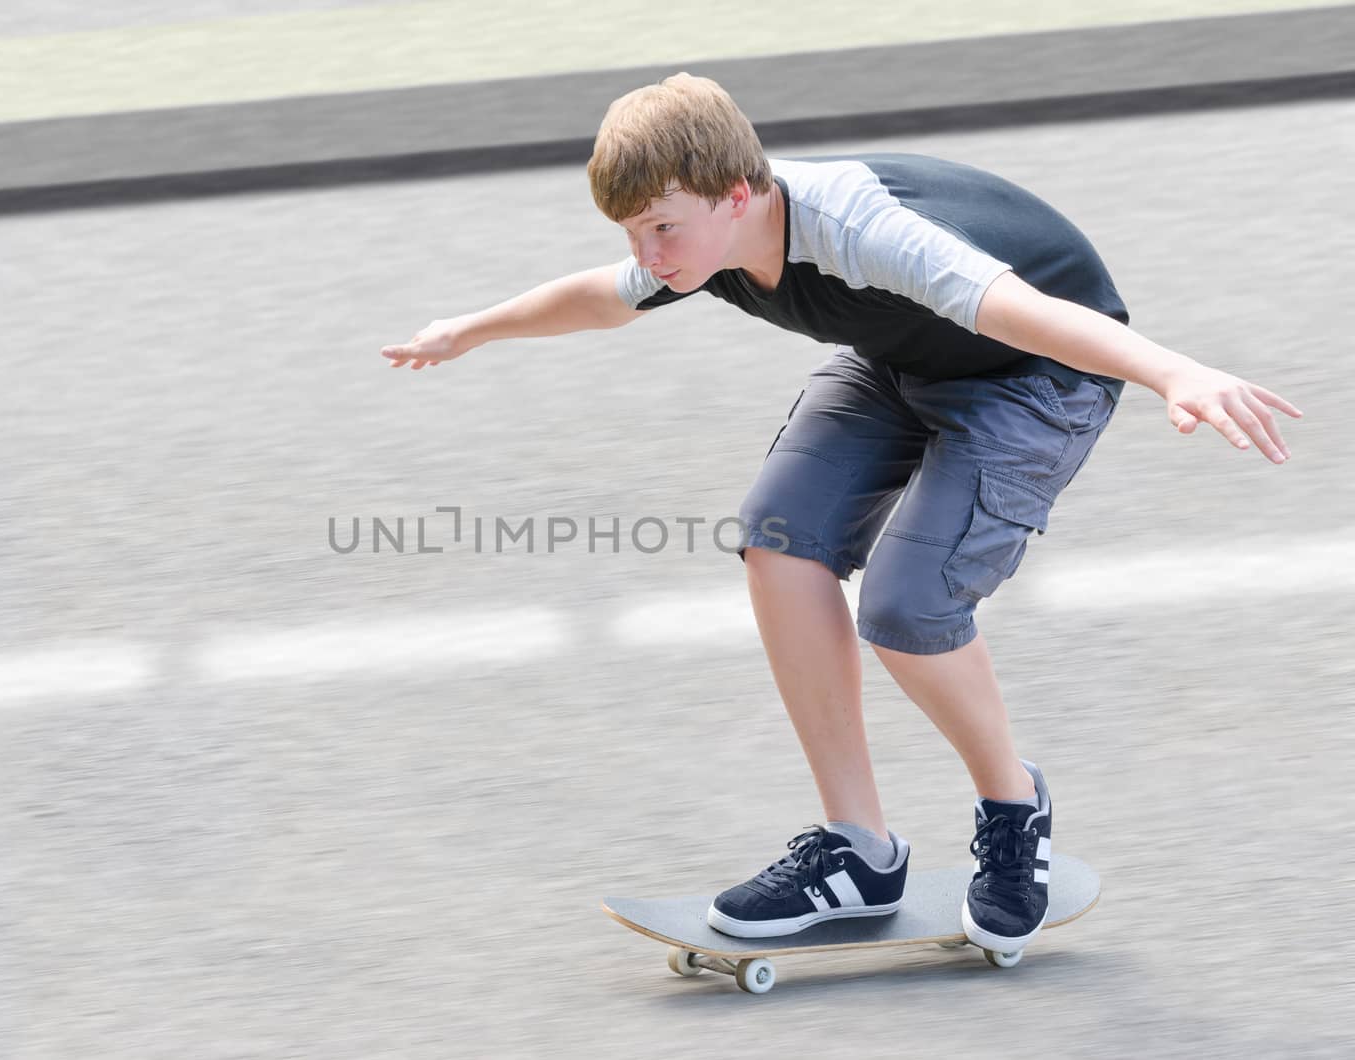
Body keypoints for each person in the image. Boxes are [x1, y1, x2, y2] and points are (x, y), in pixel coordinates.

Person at [379, 73, 1301, 952]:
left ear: (738, 192)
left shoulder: (864, 230)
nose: (648, 258)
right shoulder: (698, 244)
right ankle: (859, 848)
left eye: (661, 229)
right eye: (633, 233)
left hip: (1035, 373)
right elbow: (600, 297)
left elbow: (1021, 310)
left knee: (908, 609)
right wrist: (469, 330)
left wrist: (1171, 369)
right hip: (900, 359)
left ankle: (1014, 806)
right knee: (779, 540)